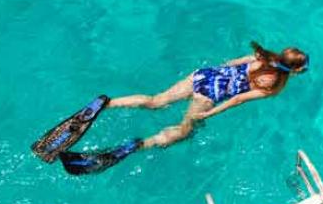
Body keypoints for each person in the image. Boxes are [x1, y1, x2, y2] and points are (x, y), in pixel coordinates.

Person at [110, 41, 309, 149]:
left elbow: (231, 64)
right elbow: (238, 99)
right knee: (183, 132)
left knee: (155, 101)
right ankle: (140, 145)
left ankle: (109, 103)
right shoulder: (274, 86)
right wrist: (208, 114)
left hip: (204, 75)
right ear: (295, 70)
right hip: (208, 95)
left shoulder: (264, 57)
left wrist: (215, 75)